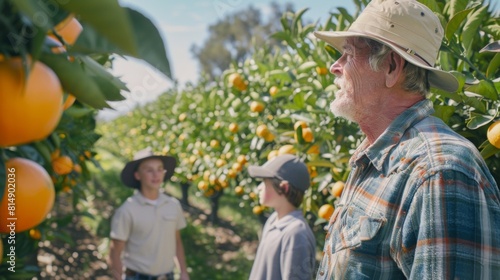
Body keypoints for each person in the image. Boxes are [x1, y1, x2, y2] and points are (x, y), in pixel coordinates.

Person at [313, 0, 500, 279]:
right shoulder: (376, 157)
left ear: (391, 66)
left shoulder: (439, 171)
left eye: (348, 54)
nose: (335, 67)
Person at [109, 148, 190, 280]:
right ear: (137, 175)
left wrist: (183, 272)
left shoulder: (173, 205)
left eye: (159, 169)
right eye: (149, 170)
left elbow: (177, 241)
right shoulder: (127, 210)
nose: (156, 174)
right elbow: (114, 252)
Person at [248, 154, 316, 280]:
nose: (259, 188)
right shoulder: (274, 219)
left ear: (283, 187)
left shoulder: (296, 234)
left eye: (264, 182)